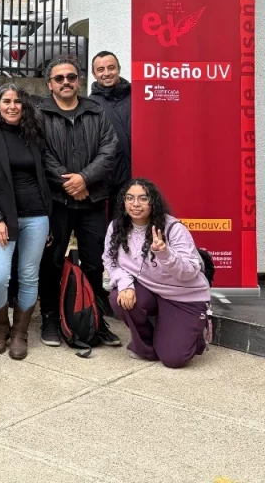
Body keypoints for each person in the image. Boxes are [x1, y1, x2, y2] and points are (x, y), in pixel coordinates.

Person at [38, 57, 121, 349]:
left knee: (94, 263)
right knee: (50, 262)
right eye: (58, 78)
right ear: (50, 84)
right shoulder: (39, 114)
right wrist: (70, 184)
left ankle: (95, 319)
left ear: (79, 81)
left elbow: (109, 151)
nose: (65, 82)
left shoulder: (96, 112)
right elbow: (41, 155)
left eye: (70, 77)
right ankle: (49, 317)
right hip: (57, 203)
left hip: (93, 200)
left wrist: (84, 179)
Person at [0, 84, 51, 359]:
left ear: (24, 106)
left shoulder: (33, 135)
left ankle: (20, 334)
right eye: (6, 101)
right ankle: (0, 331)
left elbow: (43, 177)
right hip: (3, 220)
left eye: (17, 101)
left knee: (29, 276)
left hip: (37, 216)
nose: (12, 106)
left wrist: (48, 220)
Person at [104, 179, 210, 368]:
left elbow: (190, 271)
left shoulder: (172, 228)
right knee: (117, 297)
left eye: (143, 199)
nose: (135, 204)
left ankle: (194, 335)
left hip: (183, 296)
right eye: (130, 198)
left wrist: (164, 253)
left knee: (174, 359)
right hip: (151, 290)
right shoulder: (116, 227)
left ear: (153, 202)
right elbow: (111, 261)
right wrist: (125, 283)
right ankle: (146, 348)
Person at [88, 51, 131, 217]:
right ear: (94, 74)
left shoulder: (137, 96)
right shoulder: (89, 104)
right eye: (100, 70)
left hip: (138, 177)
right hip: (108, 182)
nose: (106, 73)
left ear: (119, 68)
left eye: (111, 68)